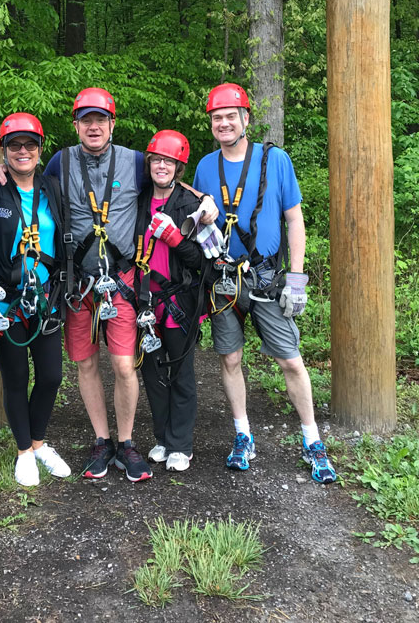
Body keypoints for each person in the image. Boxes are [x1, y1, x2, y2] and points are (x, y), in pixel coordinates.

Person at [37, 88, 218, 483]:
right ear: (76, 124)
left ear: (112, 124)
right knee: (85, 362)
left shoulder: (135, 162)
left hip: (121, 279)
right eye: (86, 119)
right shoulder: (59, 162)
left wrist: (206, 202)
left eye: (101, 119)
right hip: (78, 283)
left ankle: (126, 441)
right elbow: (29, 185)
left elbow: (168, 178)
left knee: (123, 364)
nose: (94, 126)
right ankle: (102, 440)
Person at [192, 83, 337, 483]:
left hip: (268, 278)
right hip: (224, 278)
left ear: (245, 120)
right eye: (216, 118)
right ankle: (243, 435)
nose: (223, 123)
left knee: (290, 359)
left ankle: (312, 440)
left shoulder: (276, 160)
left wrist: (296, 277)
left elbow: (295, 220)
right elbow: (205, 219)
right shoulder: (206, 166)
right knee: (230, 358)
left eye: (230, 116)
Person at [0, 112, 71, 487]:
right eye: (14, 145)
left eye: (30, 144)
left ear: (40, 149)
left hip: (46, 299)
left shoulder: (52, 187)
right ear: (4, 150)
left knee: (52, 375)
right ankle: (23, 450)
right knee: (16, 377)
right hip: (7, 301)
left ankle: (38, 443)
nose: (23, 151)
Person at [134, 130, 206, 473]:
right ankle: (162, 437)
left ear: (178, 167)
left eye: (169, 161)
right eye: (156, 160)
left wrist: (176, 238)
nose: (161, 166)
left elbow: (204, 262)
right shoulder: (139, 200)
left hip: (179, 301)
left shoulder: (190, 206)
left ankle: (181, 443)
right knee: (151, 371)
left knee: (181, 372)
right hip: (146, 302)